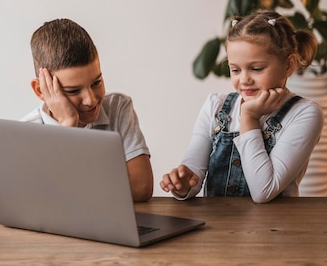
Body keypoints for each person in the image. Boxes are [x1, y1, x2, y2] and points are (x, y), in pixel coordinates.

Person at [160, 10, 324, 203]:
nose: (244, 79)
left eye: (256, 69)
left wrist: (249, 118)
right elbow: (194, 173)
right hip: (219, 227)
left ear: (289, 65)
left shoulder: (304, 113)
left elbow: (264, 190)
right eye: (235, 70)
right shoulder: (215, 106)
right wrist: (183, 184)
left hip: (275, 228)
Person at [21, 18, 154, 202]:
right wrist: (69, 126)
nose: (91, 99)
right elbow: (42, 200)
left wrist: (73, 185)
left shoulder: (117, 108)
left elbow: (141, 188)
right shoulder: (26, 132)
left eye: (96, 82)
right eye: (73, 91)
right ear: (40, 90)